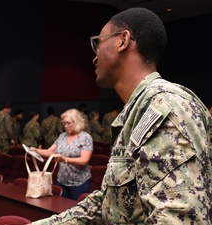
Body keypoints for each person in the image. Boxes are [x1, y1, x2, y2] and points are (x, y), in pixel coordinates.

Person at [30, 7, 212, 224]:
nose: (94, 58)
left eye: (98, 43)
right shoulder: (136, 112)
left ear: (123, 40)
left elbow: (177, 219)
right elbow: (107, 204)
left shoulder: (166, 106)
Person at [31, 108, 93, 200]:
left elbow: (84, 160)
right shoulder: (62, 136)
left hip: (79, 183)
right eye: (64, 123)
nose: (66, 126)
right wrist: (36, 151)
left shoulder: (85, 137)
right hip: (62, 181)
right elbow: (51, 152)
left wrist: (65, 159)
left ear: (77, 122)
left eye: (68, 123)